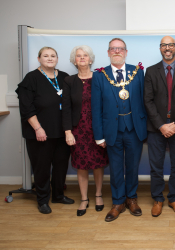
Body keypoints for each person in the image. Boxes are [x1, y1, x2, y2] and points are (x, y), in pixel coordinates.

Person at [91, 38, 147, 222]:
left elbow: (145, 101)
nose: (117, 51)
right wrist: (99, 136)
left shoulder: (138, 72)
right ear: (108, 52)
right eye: (113, 49)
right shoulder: (100, 75)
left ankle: (131, 199)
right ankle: (117, 202)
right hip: (111, 130)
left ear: (126, 51)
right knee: (115, 169)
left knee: (132, 167)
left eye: (120, 48)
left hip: (134, 129)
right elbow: (96, 108)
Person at [16, 47, 74, 214]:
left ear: (57, 58)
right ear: (39, 58)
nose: (49, 58)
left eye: (53, 55)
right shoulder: (31, 78)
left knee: (61, 165)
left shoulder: (64, 77)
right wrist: (38, 128)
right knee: (41, 167)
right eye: (45, 56)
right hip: (39, 132)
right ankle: (42, 200)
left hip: (62, 132)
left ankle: (58, 195)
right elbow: (26, 108)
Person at [144, 36, 175, 217]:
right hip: (156, 128)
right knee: (156, 166)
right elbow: (147, 100)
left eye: (170, 45)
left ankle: (173, 198)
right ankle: (157, 199)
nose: (167, 48)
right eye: (164, 45)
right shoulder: (150, 71)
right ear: (160, 48)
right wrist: (161, 125)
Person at [62, 45, 109, 217]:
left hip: (97, 128)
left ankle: (98, 194)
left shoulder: (101, 78)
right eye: (78, 56)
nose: (82, 58)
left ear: (91, 59)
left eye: (85, 55)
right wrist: (68, 131)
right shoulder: (69, 81)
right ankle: (84, 198)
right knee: (81, 165)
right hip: (78, 129)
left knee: (98, 163)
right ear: (74, 60)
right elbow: (65, 109)